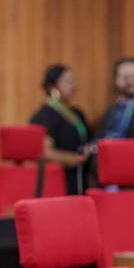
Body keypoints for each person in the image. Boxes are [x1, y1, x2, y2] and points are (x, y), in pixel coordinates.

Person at [30, 64, 91, 195]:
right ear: (52, 86)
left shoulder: (77, 113)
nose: (73, 85)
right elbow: (46, 153)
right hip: (59, 181)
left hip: (80, 178)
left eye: (74, 81)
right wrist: (77, 159)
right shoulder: (44, 115)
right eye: (68, 81)